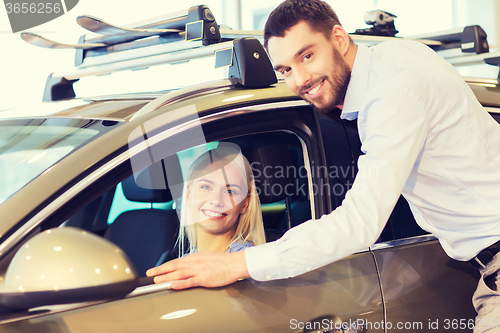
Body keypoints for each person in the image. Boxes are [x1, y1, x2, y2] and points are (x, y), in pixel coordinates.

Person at [147, 1, 500, 329]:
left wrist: (236, 264)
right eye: (285, 68)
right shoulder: (395, 57)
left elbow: (360, 223)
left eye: (307, 56)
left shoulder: (391, 96)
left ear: (340, 38)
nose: (299, 80)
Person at [176, 143, 265, 256]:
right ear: (188, 194)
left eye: (230, 191)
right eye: (206, 187)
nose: (216, 200)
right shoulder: (183, 262)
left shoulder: (252, 263)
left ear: (245, 203)